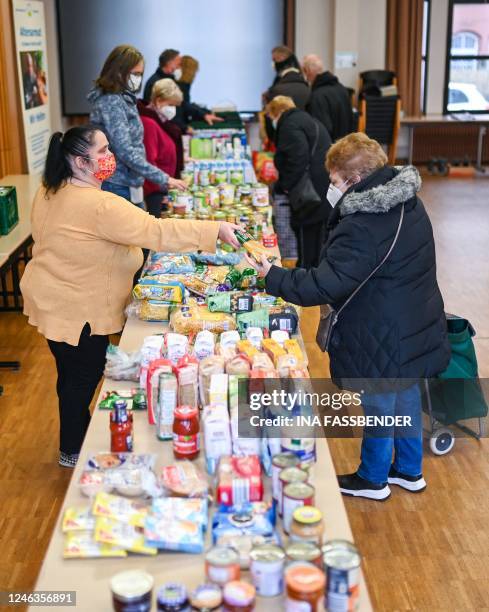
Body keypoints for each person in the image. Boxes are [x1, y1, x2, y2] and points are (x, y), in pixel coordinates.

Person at [245, 133, 451, 501]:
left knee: (379, 398)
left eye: (335, 180)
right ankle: (408, 469)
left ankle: (372, 479)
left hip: (380, 326)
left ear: (354, 180)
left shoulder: (362, 224)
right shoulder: (408, 201)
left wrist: (271, 276)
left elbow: (325, 285)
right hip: (415, 315)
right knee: (405, 390)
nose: (331, 187)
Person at [20, 126, 240, 468]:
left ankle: (71, 444)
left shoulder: (52, 189)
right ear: (80, 161)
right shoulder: (100, 204)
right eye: (103, 151)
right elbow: (157, 231)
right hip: (78, 310)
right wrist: (214, 230)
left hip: (51, 299)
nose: (111, 157)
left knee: (70, 373)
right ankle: (73, 452)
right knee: (83, 376)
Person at [87, 45, 186, 207]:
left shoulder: (124, 98)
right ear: (119, 71)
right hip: (117, 183)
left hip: (128, 182)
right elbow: (125, 150)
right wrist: (164, 178)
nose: (138, 78)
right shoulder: (112, 101)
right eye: (135, 74)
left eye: (140, 74)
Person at [266, 96, 332, 269]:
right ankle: (313, 272)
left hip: (308, 192)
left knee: (306, 236)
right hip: (322, 187)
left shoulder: (289, 125)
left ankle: (305, 277)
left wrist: (286, 186)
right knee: (317, 238)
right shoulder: (307, 120)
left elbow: (297, 159)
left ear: (277, 113)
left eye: (271, 117)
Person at [142, 49, 222, 130]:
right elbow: (160, 113)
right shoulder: (156, 82)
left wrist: (203, 114)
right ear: (170, 63)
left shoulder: (170, 80)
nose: (180, 67)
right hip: (163, 129)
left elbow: (182, 103)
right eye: (179, 64)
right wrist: (184, 128)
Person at [139, 78, 183, 217]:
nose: (173, 109)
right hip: (155, 191)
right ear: (158, 101)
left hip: (163, 187)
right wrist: (164, 184)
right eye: (170, 104)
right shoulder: (149, 123)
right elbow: (149, 161)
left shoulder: (161, 121)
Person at [302, 54, 353, 142]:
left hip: (329, 149)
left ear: (308, 71)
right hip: (345, 145)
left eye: (304, 71)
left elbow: (321, 130)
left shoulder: (317, 96)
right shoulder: (341, 88)